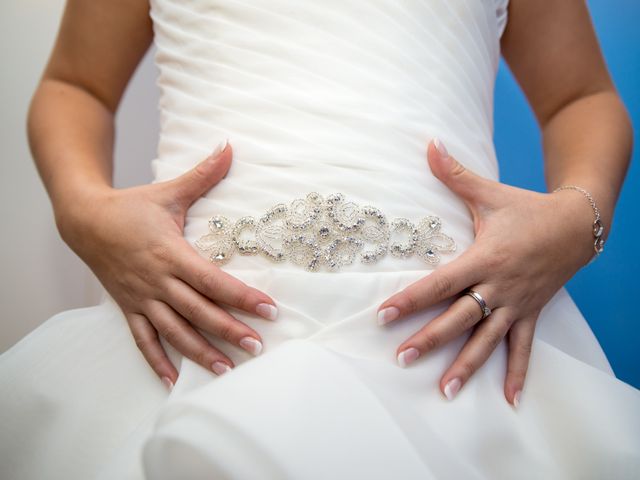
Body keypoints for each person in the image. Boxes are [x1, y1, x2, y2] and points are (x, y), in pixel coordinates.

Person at [1, 0, 639, 478]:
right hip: (189, 325)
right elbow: (76, 85)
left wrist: (575, 219)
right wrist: (84, 211)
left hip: (455, 333)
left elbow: (580, 96)